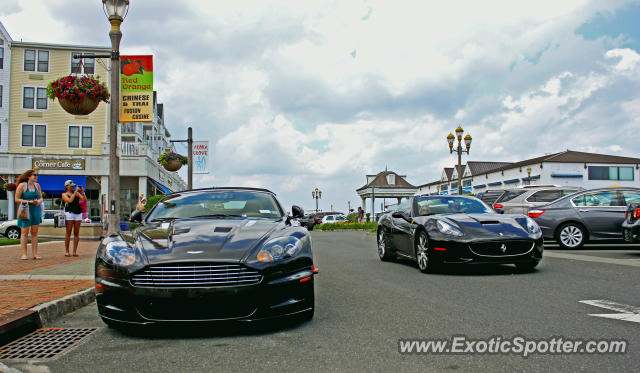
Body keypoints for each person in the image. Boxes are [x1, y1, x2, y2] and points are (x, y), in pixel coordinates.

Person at [14, 170, 43, 260]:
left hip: (36, 209)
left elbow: (41, 197)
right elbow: (16, 199)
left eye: (36, 175)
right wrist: (28, 201)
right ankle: (24, 254)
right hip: (25, 209)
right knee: (24, 232)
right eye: (34, 175)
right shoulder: (22, 185)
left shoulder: (37, 185)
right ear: (28, 176)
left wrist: (38, 201)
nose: (35, 176)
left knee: (34, 232)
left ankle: (35, 254)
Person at [62, 180, 86, 257]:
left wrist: (82, 192)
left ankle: (74, 251)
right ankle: (67, 251)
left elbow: (84, 200)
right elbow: (69, 200)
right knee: (68, 231)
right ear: (66, 186)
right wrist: (75, 192)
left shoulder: (77, 193)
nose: (72, 187)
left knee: (76, 232)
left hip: (78, 213)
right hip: (69, 213)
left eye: (73, 185)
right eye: (70, 185)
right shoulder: (64, 194)